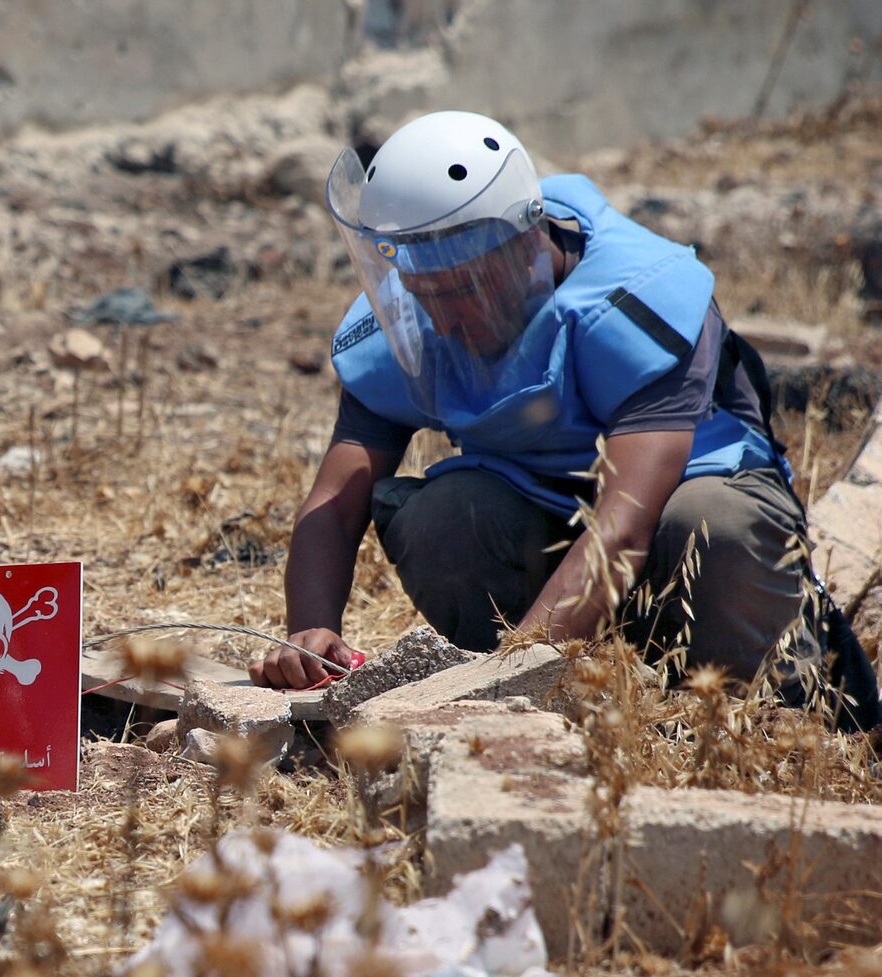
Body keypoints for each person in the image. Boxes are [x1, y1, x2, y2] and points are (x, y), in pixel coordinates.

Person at [249, 110, 870, 719]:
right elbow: (334, 501)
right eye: (423, 293)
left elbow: (623, 529)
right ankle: (560, 706)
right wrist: (309, 633)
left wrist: (513, 672)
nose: (444, 319)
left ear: (529, 243)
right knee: (442, 518)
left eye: (464, 289)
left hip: (684, 510)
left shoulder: (635, 303)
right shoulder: (407, 323)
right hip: (545, 520)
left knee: (714, 524)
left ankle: (764, 712)